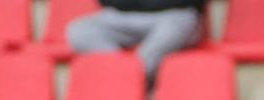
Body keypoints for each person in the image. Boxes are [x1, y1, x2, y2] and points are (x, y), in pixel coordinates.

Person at [66, 0, 204, 81]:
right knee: (81, 31)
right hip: (121, 14)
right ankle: (125, 74)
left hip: (173, 14)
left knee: (173, 30)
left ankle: (129, 80)